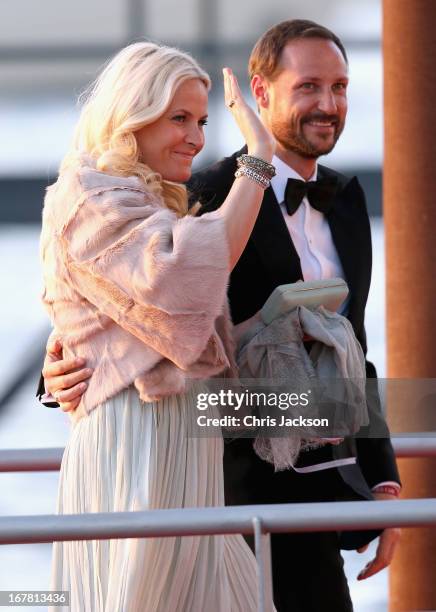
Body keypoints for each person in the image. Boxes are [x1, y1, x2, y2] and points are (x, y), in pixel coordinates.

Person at [40, 20, 402, 612]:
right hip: (223, 492)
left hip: (323, 496)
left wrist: (383, 480)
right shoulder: (196, 192)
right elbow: (108, 313)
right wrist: (51, 381)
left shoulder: (347, 202)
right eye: (308, 86)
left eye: (340, 87)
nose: (328, 104)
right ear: (259, 95)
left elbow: (354, 350)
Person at [39, 41, 277, 612]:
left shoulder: (158, 203)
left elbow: (182, 333)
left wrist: (283, 329)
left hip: (198, 448)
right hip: (139, 446)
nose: (196, 136)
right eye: (179, 118)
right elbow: (178, 281)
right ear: (132, 113)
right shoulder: (93, 196)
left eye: (201, 119)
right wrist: (259, 157)